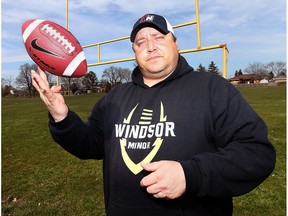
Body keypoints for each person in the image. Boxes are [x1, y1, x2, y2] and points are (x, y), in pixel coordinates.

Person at [31, 13, 276, 216]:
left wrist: (190, 175)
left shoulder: (212, 88)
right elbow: (91, 145)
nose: (150, 46)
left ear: (175, 43)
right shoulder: (114, 98)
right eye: (140, 42)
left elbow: (256, 153)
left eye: (158, 37)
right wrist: (62, 117)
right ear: (135, 52)